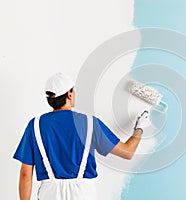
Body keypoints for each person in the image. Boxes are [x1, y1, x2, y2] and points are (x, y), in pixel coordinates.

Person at [13, 73, 150, 200]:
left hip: (49, 193)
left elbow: (26, 174)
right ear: (69, 94)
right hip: (82, 194)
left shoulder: (35, 125)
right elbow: (127, 152)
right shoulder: (90, 123)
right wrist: (139, 128)